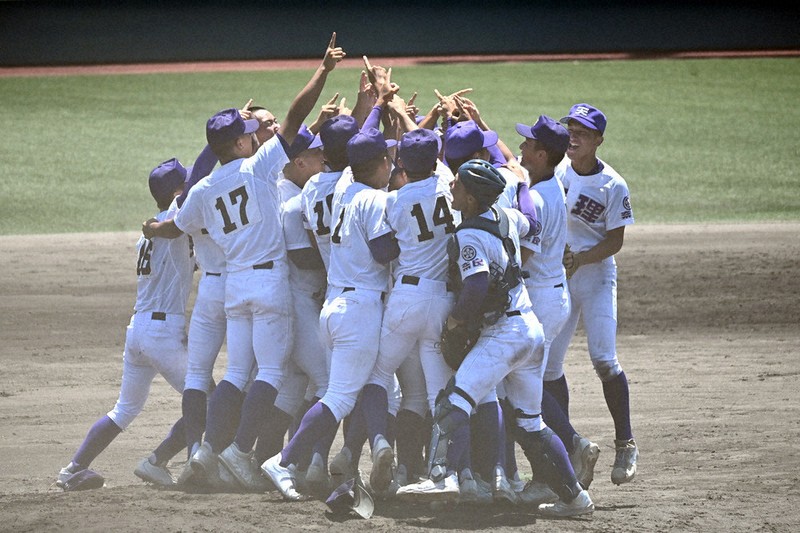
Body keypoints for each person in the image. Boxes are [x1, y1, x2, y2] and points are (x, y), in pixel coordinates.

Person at [142, 33, 345, 491]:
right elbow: (295, 117)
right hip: (270, 283)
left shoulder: (202, 189)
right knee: (270, 372)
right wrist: (323, 70)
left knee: (235, 373)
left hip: (232, 287)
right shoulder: (259, 168)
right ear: (236, 145)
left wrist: (156, 228)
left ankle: (206, 451)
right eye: (248, 134)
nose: (256, 137)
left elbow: (180, 225)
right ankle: (237, 451)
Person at [395, 159, 594, 517]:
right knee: (531, 425)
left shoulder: (469, 235)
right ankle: (575, 499)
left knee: (450, 402)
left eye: (456, 184)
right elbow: (531, 223)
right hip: (530, 330)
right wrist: (520, 187)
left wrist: (455, 321)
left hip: (504, 336)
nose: (450, 187)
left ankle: (440, 476)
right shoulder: (504, 216)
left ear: (470, 199)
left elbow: (476, 286)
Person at [261, 127, 397, 502]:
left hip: (333, 305)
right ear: (380, 164)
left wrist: (376, 105)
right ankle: (285, 460)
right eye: (387, 159)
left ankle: (364, 453)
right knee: (338, 398)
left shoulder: (340, 190)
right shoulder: (373, 199)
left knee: (375, 383)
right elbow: (385, 252)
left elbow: (351, 155)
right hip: (359, 309)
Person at [56, 158, 195, 490]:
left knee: (124, 410)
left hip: (138, 332)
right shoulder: (176, 220)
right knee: (209, 401)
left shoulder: (148, 236)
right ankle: (163, 462)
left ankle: (73, 469)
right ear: (178, 192)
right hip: (162, 332)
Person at [357, 127, 460, 495]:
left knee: (376, 374)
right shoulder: (451, 188)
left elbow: (383, 252)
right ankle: (444, 474)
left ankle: (382, 446)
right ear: (435, 160)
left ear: (400, 162)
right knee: (439, 394)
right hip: (443, 302)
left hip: (405, 299)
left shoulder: (394, 201)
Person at [548, 103, 638, 485]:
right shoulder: (556, 170)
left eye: (582, 131)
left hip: (596, 276)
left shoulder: (613, 185)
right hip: (562, 276)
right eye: (570, 128)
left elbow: (615, 241)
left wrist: (581, 258)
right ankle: (572, 449)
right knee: (550, 367)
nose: (573, 136)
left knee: (603, 359)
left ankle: (626, 443)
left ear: (598, 140)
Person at [513, 115, 600, 497]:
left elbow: (525, 256)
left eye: (527, 144)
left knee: (522, 385)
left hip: (541, 299)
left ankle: (569, 450)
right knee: (533, 382)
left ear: (543, 154)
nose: (521, 148)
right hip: (552, 293)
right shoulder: (546, 185)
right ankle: (562, 456)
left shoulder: (539, 197)